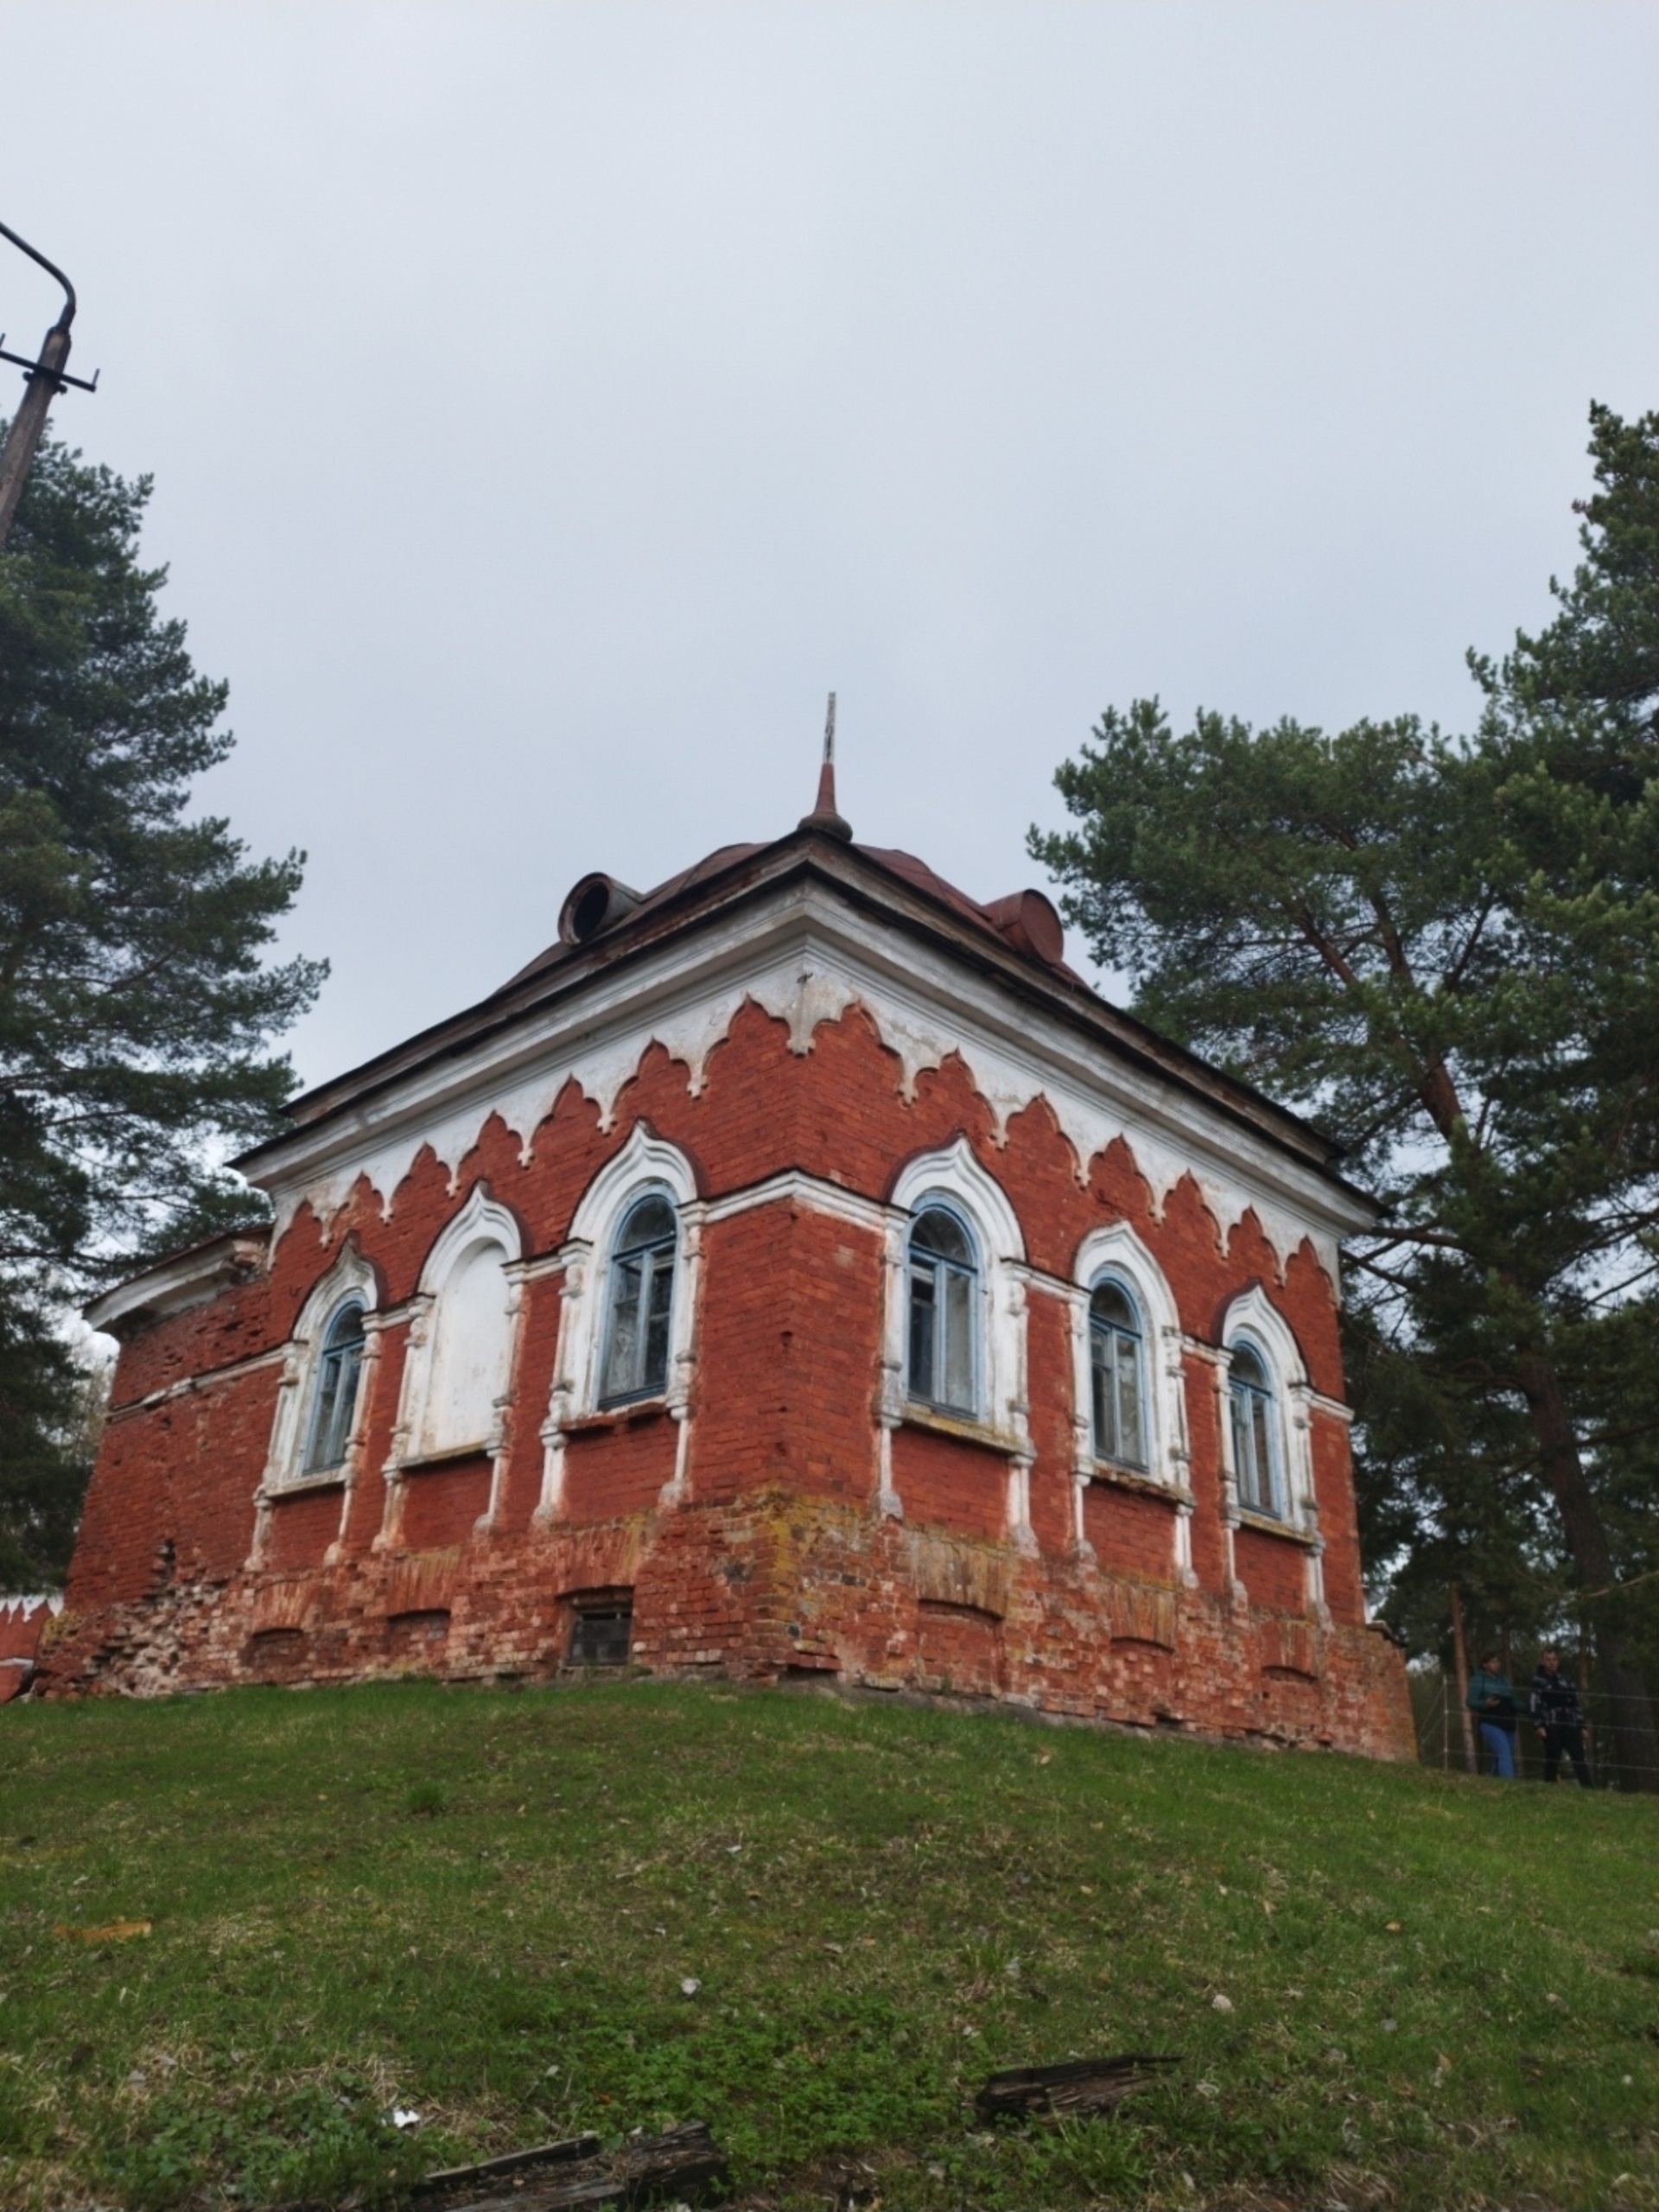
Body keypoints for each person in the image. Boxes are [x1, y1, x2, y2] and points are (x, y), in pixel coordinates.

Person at [1530, 1646, 1594, 1788]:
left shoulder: (1567, 1680)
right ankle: (1548, 1786)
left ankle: (1588, 1788)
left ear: (1558, 1661)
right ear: (1542, 1662)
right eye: (1548, 1660)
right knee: (1553, 1757)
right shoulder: (1538, 1681)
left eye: (1554, 1659)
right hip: (1551, 1725)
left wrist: (1581, 1725)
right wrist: (1538, 1725)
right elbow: (1534, 1704)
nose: (1551, 1662)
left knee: (1578, 1757)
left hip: (1570, 1724)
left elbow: (1576, 1703)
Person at [1466, 1650, 1519, 1777]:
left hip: (1508, 1722)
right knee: (1504, 1754)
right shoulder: (1478, 1679)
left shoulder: (1504, 1680)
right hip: (1490, 1722)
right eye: (1493, 1662)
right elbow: (1470, 1701)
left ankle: (1492, 1783)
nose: (1497, 1664)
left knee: (1503, 1756)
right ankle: (1509, 1789)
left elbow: (1515, 1701)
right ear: (1485, 1664)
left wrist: (1531, 1709)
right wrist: (1485, 1704)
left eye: (1498, 1661)